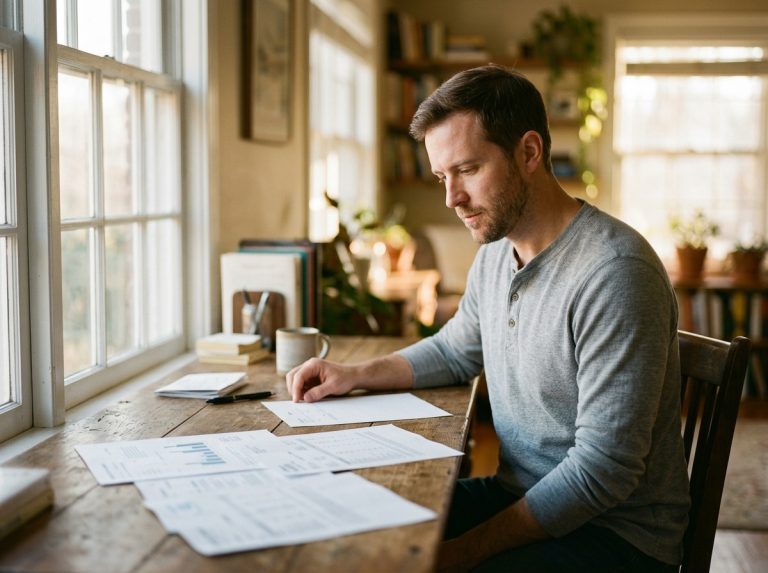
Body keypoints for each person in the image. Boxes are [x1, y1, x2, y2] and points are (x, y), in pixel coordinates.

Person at [286, 65, 689, 572]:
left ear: (528, 153)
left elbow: (603, 472)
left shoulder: (615, 273)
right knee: (360, 526)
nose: (452, 198)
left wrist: (459, 554)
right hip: (521, 494)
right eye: (441, 176)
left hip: (616, 536)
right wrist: (355, 375)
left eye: (468, 170)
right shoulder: (498, 253)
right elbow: (456, 349)